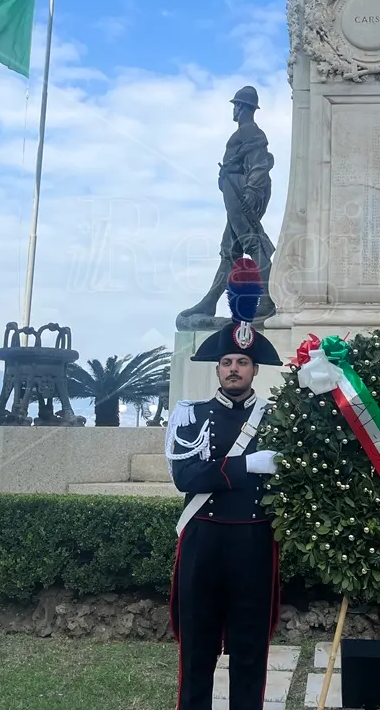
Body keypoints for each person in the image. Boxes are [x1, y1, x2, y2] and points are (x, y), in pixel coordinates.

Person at [165, 258, 283, 710]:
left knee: (251, 651)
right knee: (197, 648)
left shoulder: (277, 419)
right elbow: (185, 477)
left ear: (255, 370)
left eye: (243, 363)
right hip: (204, 539)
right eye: (227, 362)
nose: (234, 368)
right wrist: (245, 466)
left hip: (254, 541)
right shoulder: (190, 414)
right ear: (218, 368)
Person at [178, 85, 277, 324]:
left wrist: (252, 191)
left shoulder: (251, 131)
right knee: (229, 251)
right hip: (234, 190)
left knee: (252, 243)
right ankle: (210, 300)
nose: (233, 110)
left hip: (240, 191)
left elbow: (260, 164)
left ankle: (269, 297)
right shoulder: (244, 132)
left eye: (235, 105)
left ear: (242, 107)